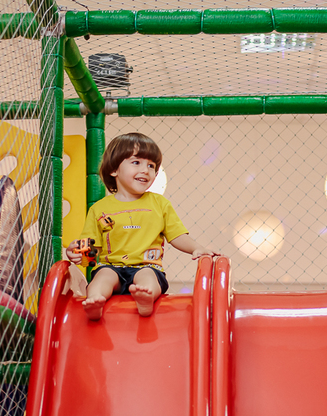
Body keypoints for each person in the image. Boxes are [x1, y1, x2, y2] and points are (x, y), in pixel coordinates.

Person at [67, 132, 218, 320]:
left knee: (147, 277)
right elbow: (92, 248)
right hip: (111, 266)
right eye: (136, 162)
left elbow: (177, 235)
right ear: (114, 169)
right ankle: (95, 302)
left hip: (147, 266)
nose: (146, 170)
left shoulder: (159, 204)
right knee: (102, 277)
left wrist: (197, 248)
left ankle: (146, 298)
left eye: (151, 166)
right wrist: (78, 254)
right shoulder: (99, 209)